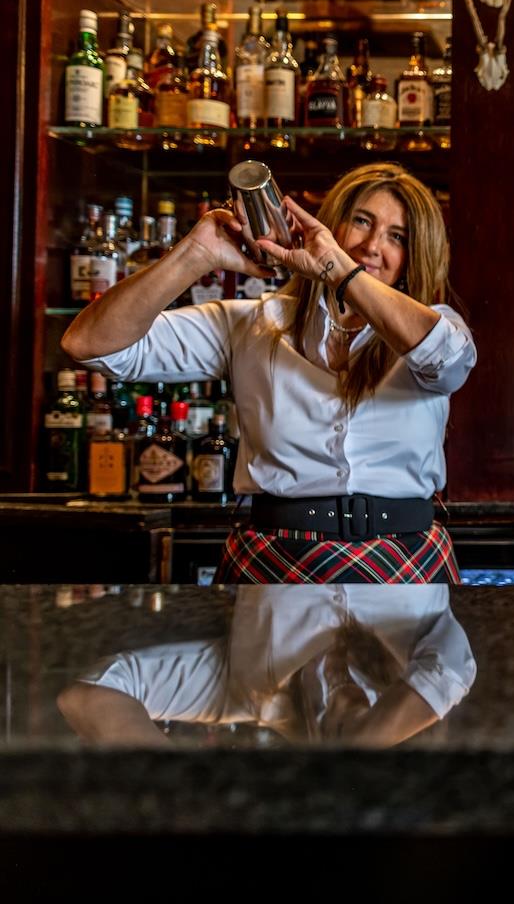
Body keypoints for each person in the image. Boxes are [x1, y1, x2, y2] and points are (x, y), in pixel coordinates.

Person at [61, 163, 477, 583]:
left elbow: (445, 358)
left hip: (405, 558)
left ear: (413, 256)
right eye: (362, 221)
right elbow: (91, 345)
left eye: (397, 237)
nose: (371, 246)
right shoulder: (249, 323)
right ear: (330, 226)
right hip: (278, 558)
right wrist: (196, 254)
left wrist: (338, 271)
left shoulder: (434, 328)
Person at [56, 585, 476, 746]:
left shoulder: (247, 691)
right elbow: (454, 666)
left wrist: (188, 792)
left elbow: (85, 695)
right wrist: (363, 739)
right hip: (399, 528)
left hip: (280, 523)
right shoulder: (414, 683)